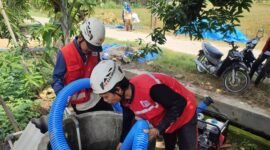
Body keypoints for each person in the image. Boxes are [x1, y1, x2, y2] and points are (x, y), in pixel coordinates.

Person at [90, 60, 198, 150]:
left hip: (185, 113)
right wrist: (123, 141)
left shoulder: (151, 89)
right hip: (166, 118)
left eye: (106, 96)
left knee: (187, 146)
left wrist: (158, 129)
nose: (105, 100)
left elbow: (179, 103)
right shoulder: (124, 99)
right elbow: (128, 118)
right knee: (169, 145)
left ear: (118, 89)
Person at [51, 18, 113, 114]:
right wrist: (61, 97)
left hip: (98, 97)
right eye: (89, 47)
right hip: (81, 105)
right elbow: (57, 79)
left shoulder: (94, 52)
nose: (91, 50)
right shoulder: (65, 53)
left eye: (93, 48)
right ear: (81, 38)